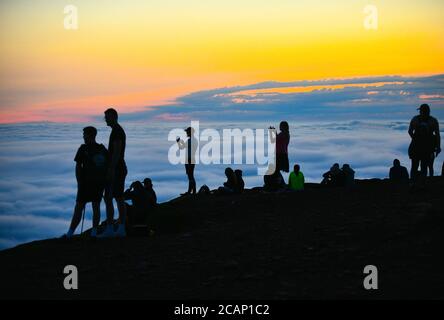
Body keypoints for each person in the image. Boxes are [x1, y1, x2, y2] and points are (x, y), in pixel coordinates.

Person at [64, 126, 108, 239]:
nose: (83, 137)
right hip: (99, 183)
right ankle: (93, 233)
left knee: (79, 207)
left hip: (85, 183)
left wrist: (79, 182)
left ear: (89, 135)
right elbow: (106, 165)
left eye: (84, 134)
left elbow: (78, 166)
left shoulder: (83, 149)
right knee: (96, 207)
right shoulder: (102, 149)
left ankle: (69, 234)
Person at [99, 108, 128, 238]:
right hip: (119, 168)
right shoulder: (117, 130)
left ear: (114, 117)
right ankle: (120, 228)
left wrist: (111, 169)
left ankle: (111, 228)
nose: (105, 119)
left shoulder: (117, 131)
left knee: (110, 197)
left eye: (107, 117)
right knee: (118, 197)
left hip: (117, 169)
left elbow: (116, 152)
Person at [408, 104, 441, 180]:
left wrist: (415, 140)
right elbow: (437, 135)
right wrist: (438, 146)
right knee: (424, 166)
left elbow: (410, 131)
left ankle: (413, 183)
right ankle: (422, 184)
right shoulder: (433, 121)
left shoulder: (415, 119)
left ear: (421, 111)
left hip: (416, 147)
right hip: (427, 147)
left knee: (414, 166)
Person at [177, 127, 198, 195]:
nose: (186, 133)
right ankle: (192, 191)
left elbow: (182, 147)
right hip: (192, 159)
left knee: (190, 175)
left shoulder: (190, 140)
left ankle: (191, 191)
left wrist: (179, 142)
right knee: (191, 175)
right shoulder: (194, 140)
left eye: (187, 132)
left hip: (189, 159)